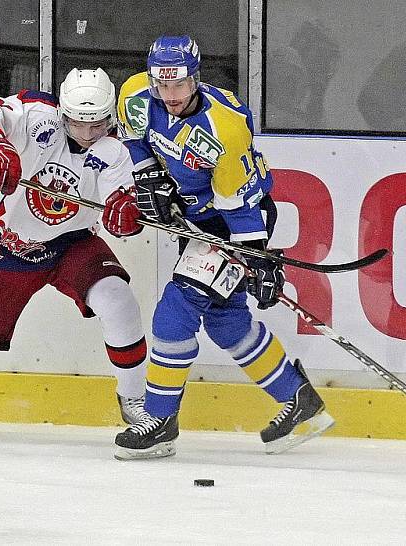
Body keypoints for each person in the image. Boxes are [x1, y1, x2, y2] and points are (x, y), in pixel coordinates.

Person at [113, 35, 336, 459]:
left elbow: (240, 210)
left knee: (175, 313)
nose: (171, 95)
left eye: (179, 85)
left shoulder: (226, 127)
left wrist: (256, 259)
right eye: (163, 85)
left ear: (195, 78)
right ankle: (300, 400)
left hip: (232, 223)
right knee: (226, 320)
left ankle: (160, 420)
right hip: (195, 223)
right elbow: (137, 143)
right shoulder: (137, 95)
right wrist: (150, 179)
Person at [0, 67, 150, 431]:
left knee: (118, 301)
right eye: (77, 123)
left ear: (111, 118)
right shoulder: (36, 116)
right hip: (11, 243)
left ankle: (135, 400)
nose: (87, 135)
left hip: (73, 243)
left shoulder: (115, 150)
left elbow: (118, 197)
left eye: (97, 125)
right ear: (62, 113)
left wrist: (124, 213)